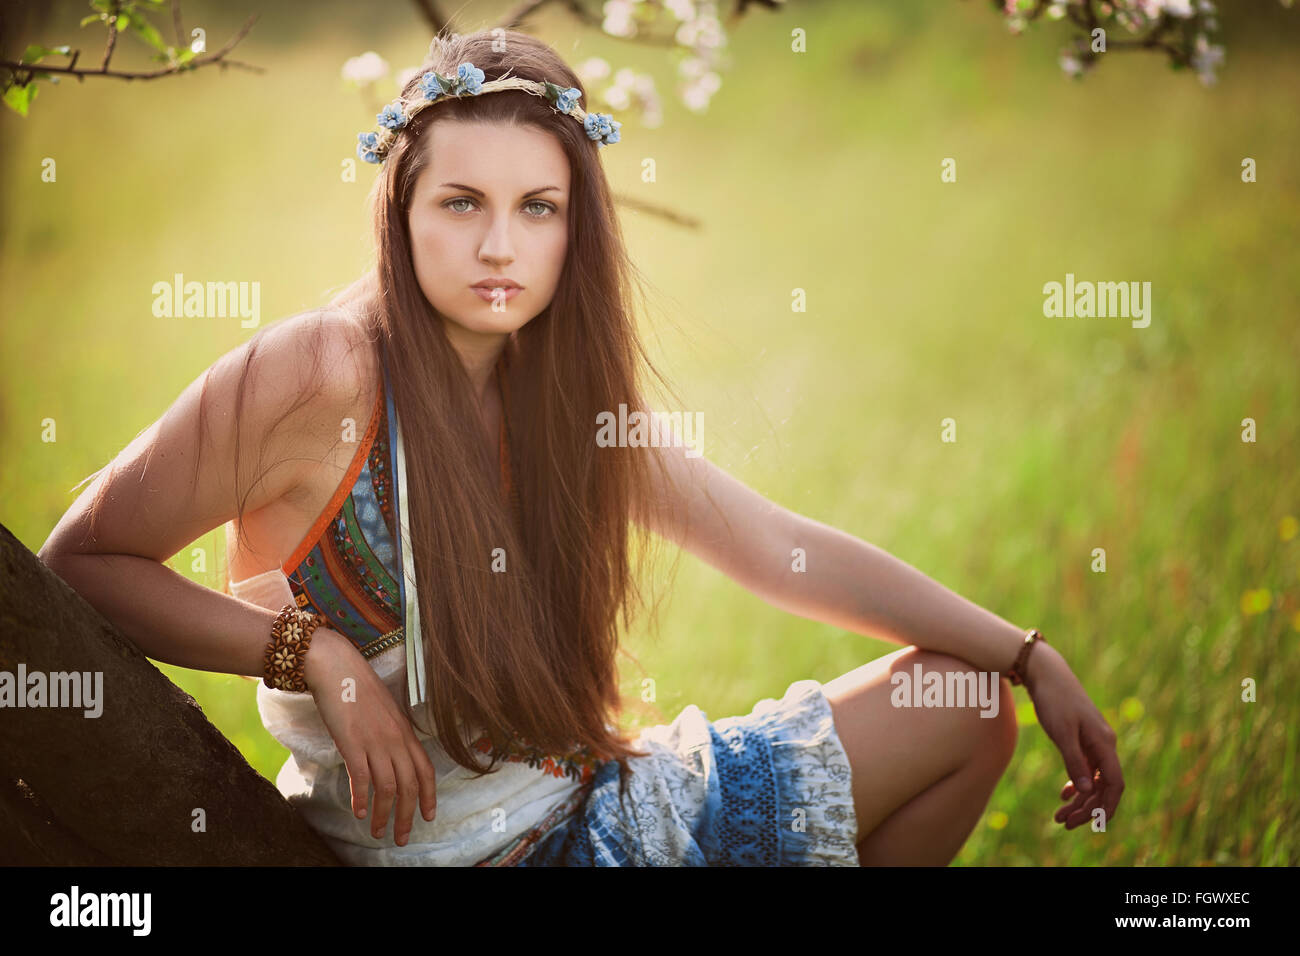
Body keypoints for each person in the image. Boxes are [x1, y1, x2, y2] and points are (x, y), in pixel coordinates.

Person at [38, 28, 1123, 866]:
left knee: (969, 706)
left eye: (538, 207)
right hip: (449, 851)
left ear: (575, 224)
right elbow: (82, 562)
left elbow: (777, 546)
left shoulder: (557, 396)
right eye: (460, 202)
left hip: (595, 804)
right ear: (400, 208)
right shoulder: (318, 370)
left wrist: (1024, 654)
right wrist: (310, 653)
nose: (500, 245)